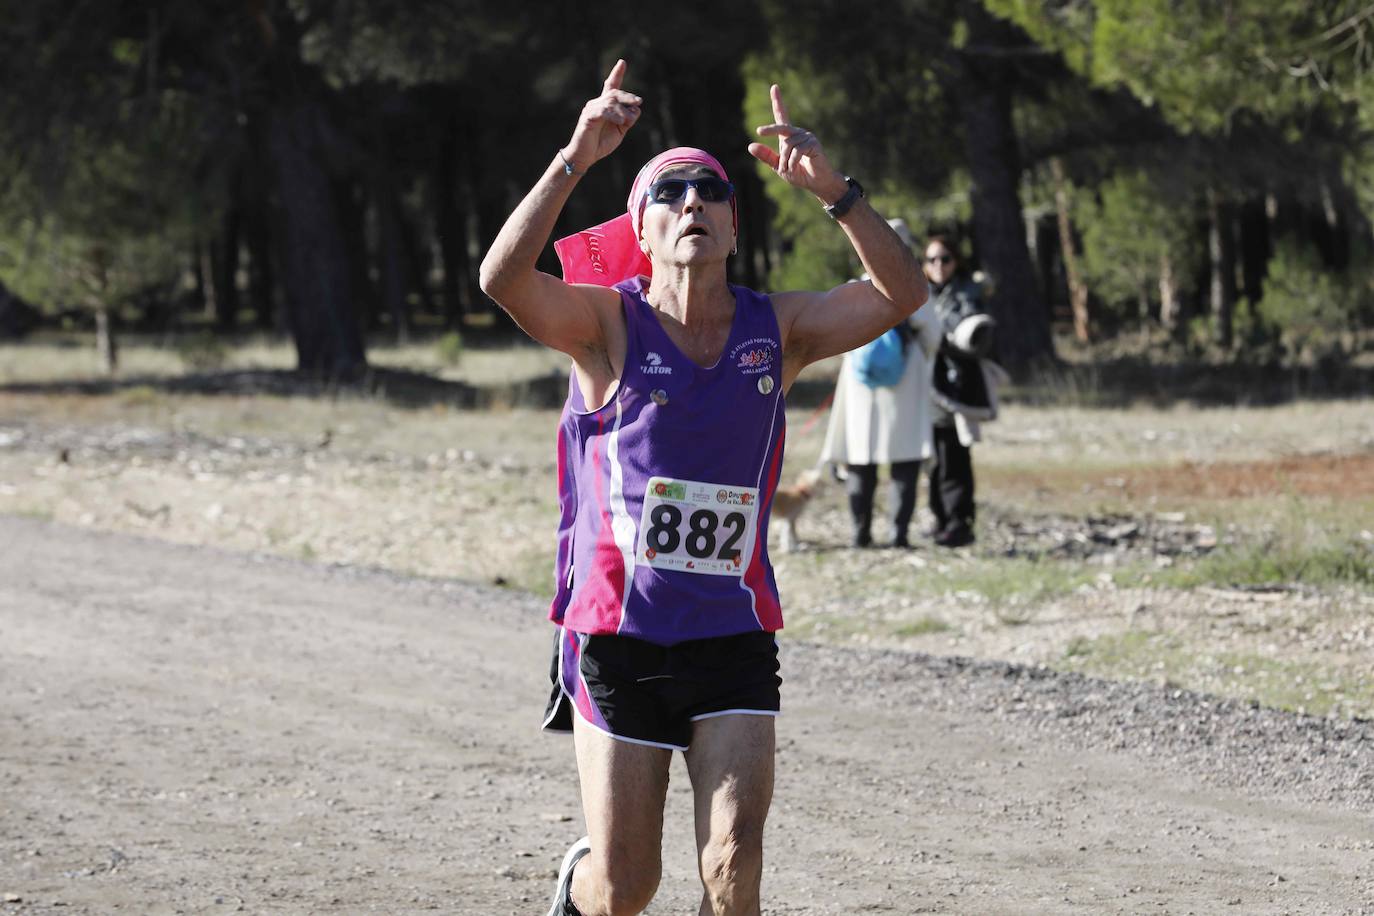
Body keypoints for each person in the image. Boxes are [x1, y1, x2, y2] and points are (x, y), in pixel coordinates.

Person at [478, 60, 926, 916]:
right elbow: (502, 281)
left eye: (711, 192)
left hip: (731, 631)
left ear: (732, 225)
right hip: (620, 634)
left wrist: (833, 188)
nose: (693, 203)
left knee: (733, 863)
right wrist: (575, 157)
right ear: (641, 230)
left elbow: (902, 293)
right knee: (628, 887)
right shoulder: (607, 326)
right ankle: (578, 885)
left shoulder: (779, 330)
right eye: (670, 191)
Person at [820, 218, 943, 548]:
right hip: (907, 381)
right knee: (905, 458)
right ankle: (898, 535)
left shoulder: (853, 287)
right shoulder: (919, 290)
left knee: (860, 457)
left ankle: (861, 535)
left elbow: (835, 338)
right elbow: (933, 339)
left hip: (861, 386)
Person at [921, 234, 1000, 548]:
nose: (938, 265)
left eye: (945, 259)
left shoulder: (968, 292)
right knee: (934, 460)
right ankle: (940, 518)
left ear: (957, 261)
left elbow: (968, 330)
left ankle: (959, 523)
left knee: (953, 457)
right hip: (925, 387)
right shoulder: (922, 291)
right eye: (931, 260)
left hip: (955, 388)